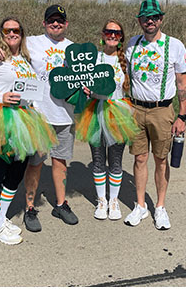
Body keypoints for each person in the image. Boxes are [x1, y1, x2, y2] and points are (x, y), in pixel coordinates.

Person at [0, 17, 56, 245]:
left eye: (16, 30)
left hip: (25, 122)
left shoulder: (25, 59)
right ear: (2, 33)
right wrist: (0, 98)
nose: (12, 33)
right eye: (8, 30)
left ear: (22, 33)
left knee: (16, 174)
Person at [0, 4, 78, 231]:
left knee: (60, 162)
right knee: (35, 164)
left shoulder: (75, 49)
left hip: (65, 115)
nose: (55, 24)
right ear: (44, 23)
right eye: (51, 20)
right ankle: (30, 208)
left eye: (60, 20)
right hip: (39, 115)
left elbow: (83, 79)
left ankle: (61, 204)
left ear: (66, 24)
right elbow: (9, 43)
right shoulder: (33, 43)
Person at [122, 0, 186, 230]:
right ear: (139, 20)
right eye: (145, 17)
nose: (149, 21)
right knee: (139, 158)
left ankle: (160, 207)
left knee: (161, 160)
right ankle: (141, 205)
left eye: (154, 17)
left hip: (162, 110)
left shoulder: (174, 45)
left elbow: (183, 82)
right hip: (137, 109)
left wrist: (181, 117)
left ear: (160, 19)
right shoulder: (132, 44)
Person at [72, 20, 139, 221]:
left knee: (116, 161)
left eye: (117, 33)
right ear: (102, 34)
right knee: (99, 159)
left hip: (117, 112)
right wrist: (84, 89)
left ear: (121, 38)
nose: (112, 35)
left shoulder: (126, 60)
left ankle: (114, 201)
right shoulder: (93, 58)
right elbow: (78, 76)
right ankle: (102, 200)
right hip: (94, 112)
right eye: (109, 32)